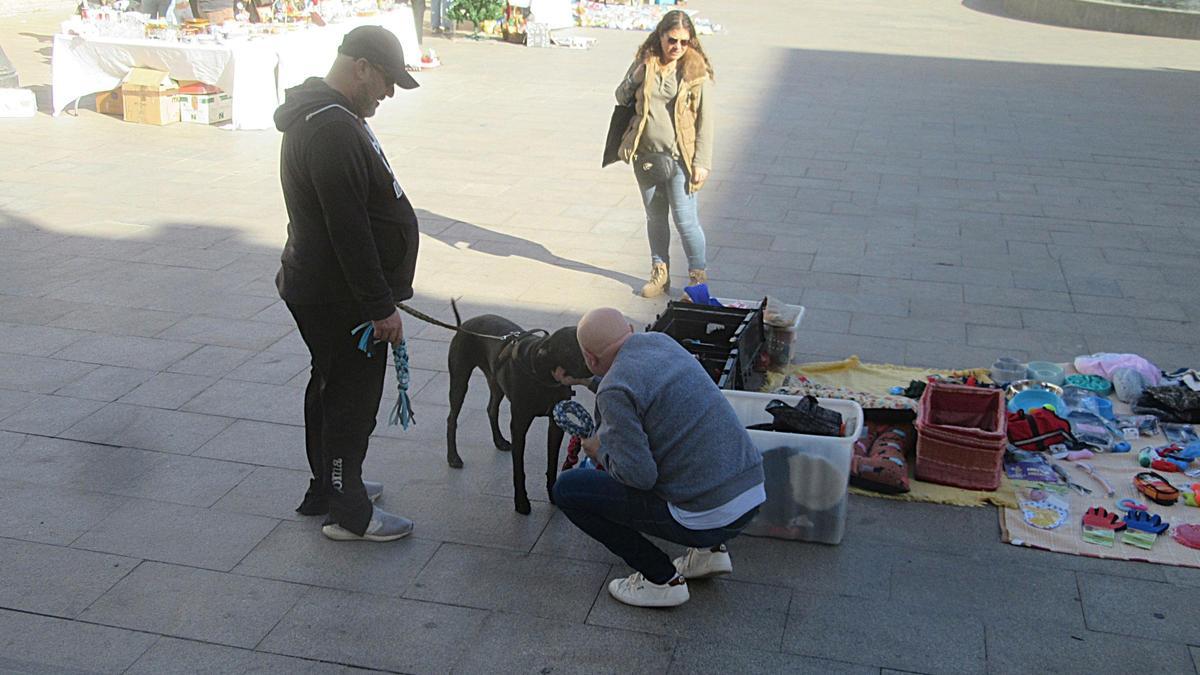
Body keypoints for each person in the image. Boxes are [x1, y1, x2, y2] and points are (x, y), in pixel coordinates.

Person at [273, 26, 421, 542]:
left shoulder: (327, 116)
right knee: (350, 402)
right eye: (385, 81)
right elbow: (349, 228)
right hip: (340, 296)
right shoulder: (332, 128)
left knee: (330, 387)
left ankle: (329, 486)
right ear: (361, 67)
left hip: (324, 288)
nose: (388, 94)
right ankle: (350, 512)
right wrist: (381, 307)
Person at [552, 308, 765, 607]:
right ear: (629, 328)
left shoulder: (614, 390)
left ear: (589, 357)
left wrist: (599, 450)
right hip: (750, 492)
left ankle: (661, 579)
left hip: (705, 517)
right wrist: (589, 383)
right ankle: (710, 554)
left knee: (568, 490)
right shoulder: (663, 343)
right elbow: (643, 391)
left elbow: (639, 476)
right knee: (683, 441)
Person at [615, 10, 715, 299]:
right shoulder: (645, 64)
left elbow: (706, 120)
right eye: (672, 40)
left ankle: (698, 278)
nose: (677, 48)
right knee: (655, 217)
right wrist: (634, 78)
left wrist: (702, 162)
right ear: (660, 36)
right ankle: (660, 272)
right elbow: (620, 97)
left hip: (681, 159)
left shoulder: (695, 72)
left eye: (685, 42)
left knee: (685, 220)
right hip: (646, 155)